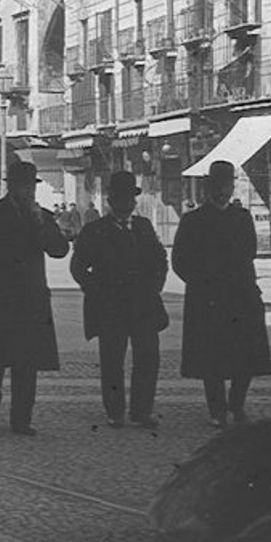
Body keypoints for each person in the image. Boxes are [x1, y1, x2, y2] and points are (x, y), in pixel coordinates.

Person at [0, 160, 70, 435]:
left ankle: (22, 418)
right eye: (22, 186)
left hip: (30, 299)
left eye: (30, 187)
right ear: (12, 188)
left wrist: (40, 225)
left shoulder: (41, 215)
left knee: (27, 363)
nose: (27, 192)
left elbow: (59, 250)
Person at [172, 159, 271, 427]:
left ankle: (236, 405)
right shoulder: (193, 220)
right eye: (217, 186)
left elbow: (249, 252)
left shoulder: (241, 217)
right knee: (211, 359)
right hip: (207, 299)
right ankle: (217, 410)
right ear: (208, 188)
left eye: (226, 186)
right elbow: (179, 260)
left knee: (247, 356)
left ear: (231, 187)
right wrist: (203, 283)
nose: (222, 191)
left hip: (240, 297)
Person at [70, 170, 170, 428]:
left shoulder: (144, 227)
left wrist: (156, 285)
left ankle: (141, 411)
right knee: (112, 361)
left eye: (131, 199)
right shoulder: (95, 231)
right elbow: (78, 267)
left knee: (148, 358)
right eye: (121, 199)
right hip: (111, 307)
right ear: (111, 202)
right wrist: (95, 291)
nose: (128, 204)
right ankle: (115, 411)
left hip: (144, 305)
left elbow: (160, 259)